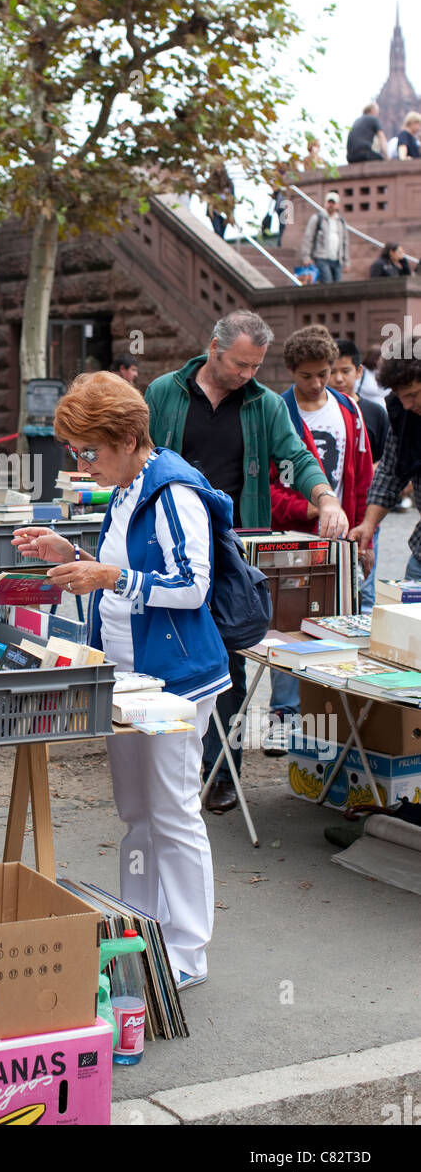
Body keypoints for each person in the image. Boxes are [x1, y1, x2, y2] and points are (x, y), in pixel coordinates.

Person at [12, 372, 232, 989]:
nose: (84, 465)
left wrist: (107, 578)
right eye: (77, 452)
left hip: (175, 682)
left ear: (131, 437)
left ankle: (187, 949)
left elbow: (193, 587)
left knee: (174, 811)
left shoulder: (172, 490)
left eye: (91, 451)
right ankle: (140, 933)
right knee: (138, 812)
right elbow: (122, 566)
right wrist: (65, 551)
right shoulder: (132, 484)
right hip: (130, 678)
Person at [145, 310, 348, 813]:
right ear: (213, 348)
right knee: (165, 651)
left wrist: (325, 498)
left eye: (255, 366)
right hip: (167, 544)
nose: (247, 375)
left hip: (233, 549)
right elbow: (136, 452)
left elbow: (296, 457)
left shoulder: (261, 404)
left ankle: (223, 770)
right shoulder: (164, 391)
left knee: (229, 659)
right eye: (240, 364)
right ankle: (168, 766)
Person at [265, 327, 373, 744]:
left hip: (344, 537)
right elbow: (268, 486)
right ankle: (283, 716)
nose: (316, 384)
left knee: (343, 626)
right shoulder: (279, 410)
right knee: (289, 625)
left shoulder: (349, 409)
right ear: (292, 371)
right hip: (294, 535)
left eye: (324, 374)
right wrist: (307, 507)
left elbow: (361, 476)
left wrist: (365, 532)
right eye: (307, 376)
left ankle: (334, 720)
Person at [349, 355, 421, 583]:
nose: (408, 404)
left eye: (412, 394)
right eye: (402, 398)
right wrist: (368, 524)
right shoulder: (406, 416)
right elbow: (389, 473)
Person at [332, 339, 389, 612]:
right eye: (331, 371)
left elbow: (388, 462)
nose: (338, 378)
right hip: (327, 515)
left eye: (345, 370)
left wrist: (365, 468)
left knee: (364, 587)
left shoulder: (375, 413)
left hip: (364, 513)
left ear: (359, 371)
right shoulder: (319, 412)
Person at [300, 191, 350, 283]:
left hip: (337, 260)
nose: (331, 205)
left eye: (333, 203)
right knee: (327, 283)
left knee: (337, 287)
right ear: (325, 203)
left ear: (337, 205)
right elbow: (308, 238)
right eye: (329, 202)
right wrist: (306, 257)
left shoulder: (341, 222)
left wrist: (346, 262)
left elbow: (344, 242)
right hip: (321, 258)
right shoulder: (317, 218)